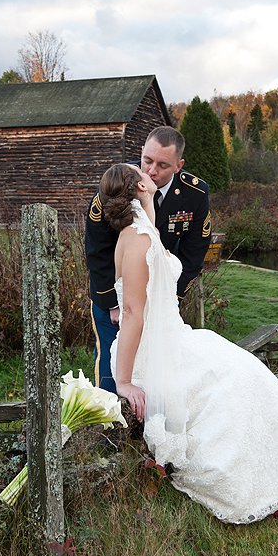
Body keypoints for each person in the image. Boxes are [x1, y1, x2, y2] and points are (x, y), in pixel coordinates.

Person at [97, 163, 278, 523]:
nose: (150, 173)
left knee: (247, 372)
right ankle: (251, 483)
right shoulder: (137, 240)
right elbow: (132, 313)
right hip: (155, 350)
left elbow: (149, 235)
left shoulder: (142, 230)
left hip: (173, 338)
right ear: (141, 189)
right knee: (231, 383)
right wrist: (125, 380)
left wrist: (146, 205)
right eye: (143, 173)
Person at [85, 126, 211, 393]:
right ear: (141, 151)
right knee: (111, 370)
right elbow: (97, 253)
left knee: (163, 372)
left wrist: (168, 300)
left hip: (162, 300)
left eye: (163, 165)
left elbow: (193, 255)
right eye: (147, 160)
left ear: (179, 165)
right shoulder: (116, 186)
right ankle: (106, 430)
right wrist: (112, 304)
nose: (152, 169)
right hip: (115, 299)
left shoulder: (195, 194)